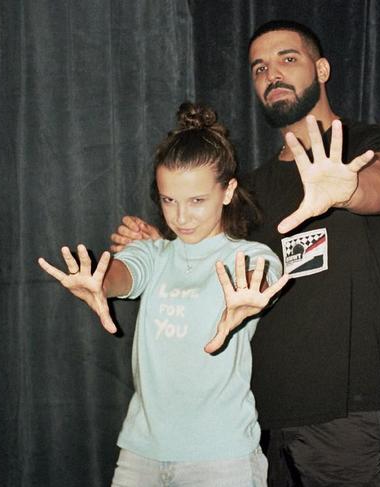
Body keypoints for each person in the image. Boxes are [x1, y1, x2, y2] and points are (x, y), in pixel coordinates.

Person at [111, 20, 380, 487]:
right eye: (259, 68)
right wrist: (161, 243)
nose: (272, 74)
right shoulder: (248, 190)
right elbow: (207, 255)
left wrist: (347, 186)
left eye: (287, 59)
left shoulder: (365, 149)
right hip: (257, 425)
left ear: (323, 68)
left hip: (347, 417)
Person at [39, 102, 289, 486]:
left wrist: (251, 291)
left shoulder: (249, 255)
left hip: (222, 458)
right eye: (169, 200)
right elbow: (124, 273)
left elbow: (263, 273)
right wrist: (100, 281)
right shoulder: (154, 254)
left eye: (196, 201)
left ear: (228, 191)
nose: (181, 217)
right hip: (141, 454)